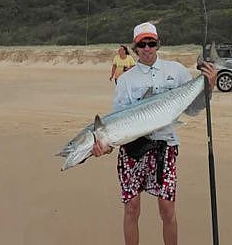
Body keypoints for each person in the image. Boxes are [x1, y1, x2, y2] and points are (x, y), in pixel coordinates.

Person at [93, 22, 217, 245]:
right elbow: (119, 123)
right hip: (133, 150)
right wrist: (105, 145)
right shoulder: (126, 81)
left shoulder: (176, 71)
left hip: (165, 146)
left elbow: (193, 109)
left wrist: (208, 87)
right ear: (135, 48)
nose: (147, 48)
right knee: (132, 208)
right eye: (142, 44)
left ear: (158, 45)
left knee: (167, 209)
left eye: (151, 43)